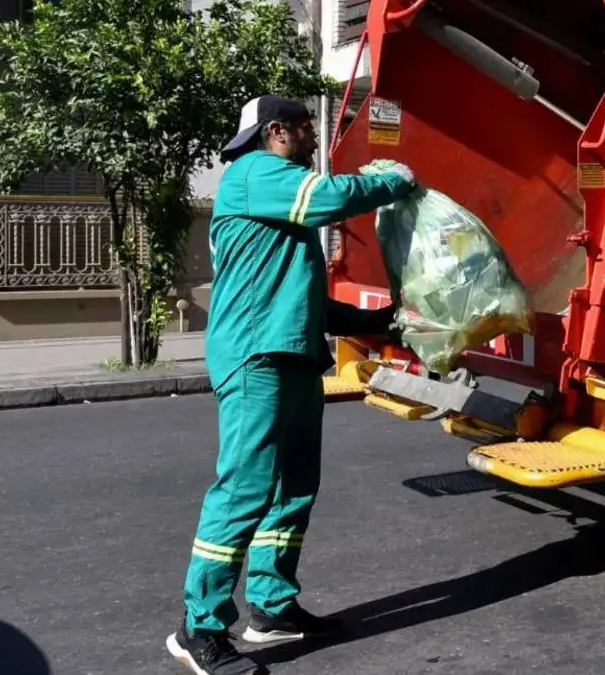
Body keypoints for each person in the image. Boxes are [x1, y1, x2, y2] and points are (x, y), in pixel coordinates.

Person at [166, 95, 418, 675]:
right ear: (276, 131)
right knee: (244, 491)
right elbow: (330, 198)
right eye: (307, 129)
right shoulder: (256, 173)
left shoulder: (277, 198)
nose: (314, 140)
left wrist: (375, 323)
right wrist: (392, 180)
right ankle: (197, 626)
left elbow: (303, 298)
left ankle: (271, 608)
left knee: (294, 486)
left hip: (292, 356)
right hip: (257, 357)